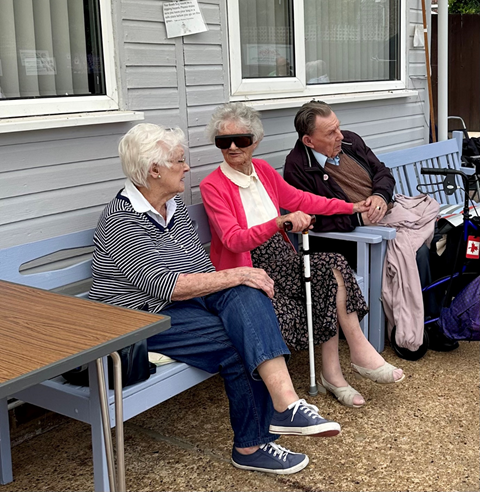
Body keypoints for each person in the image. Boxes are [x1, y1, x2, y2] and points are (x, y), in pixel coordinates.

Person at [88, 123, 345, 476]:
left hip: (182, 304)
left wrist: (238, 281)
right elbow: (165, 286)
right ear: (154, 170)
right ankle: (251, 446)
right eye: (180, 161)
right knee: (240, 337)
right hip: (140, 319)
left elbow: (200, 267)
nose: (187, 167)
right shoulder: (121, 220)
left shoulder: (172, 207)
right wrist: (238, 274)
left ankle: (285, 405)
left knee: (248, 295)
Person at [200, 103, 404, 411]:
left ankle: (351, 359)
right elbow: (232, 239)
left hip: (282, 257)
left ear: (254, 141)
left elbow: (302, 199)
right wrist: (279, 223)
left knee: (331, 266)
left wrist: (352, 207)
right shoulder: (212, 186)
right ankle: (335, 374)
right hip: (249, 270)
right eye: (222, 141)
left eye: (240, 140)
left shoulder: (264, 171)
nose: (231, 147)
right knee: (318, 287)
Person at [283, 100, 458, 353]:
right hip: (350, 239)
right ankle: (425, 325)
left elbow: (383, 173)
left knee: (448, 234)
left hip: (385, 214)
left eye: (338, 127)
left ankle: (431, 316)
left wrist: (380, 196)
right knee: (415, 250)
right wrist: (358, 219)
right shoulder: (297, 168)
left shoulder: (351, 142)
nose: (340, 136)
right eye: (331, 133)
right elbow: (314, 219)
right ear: (309, 141)